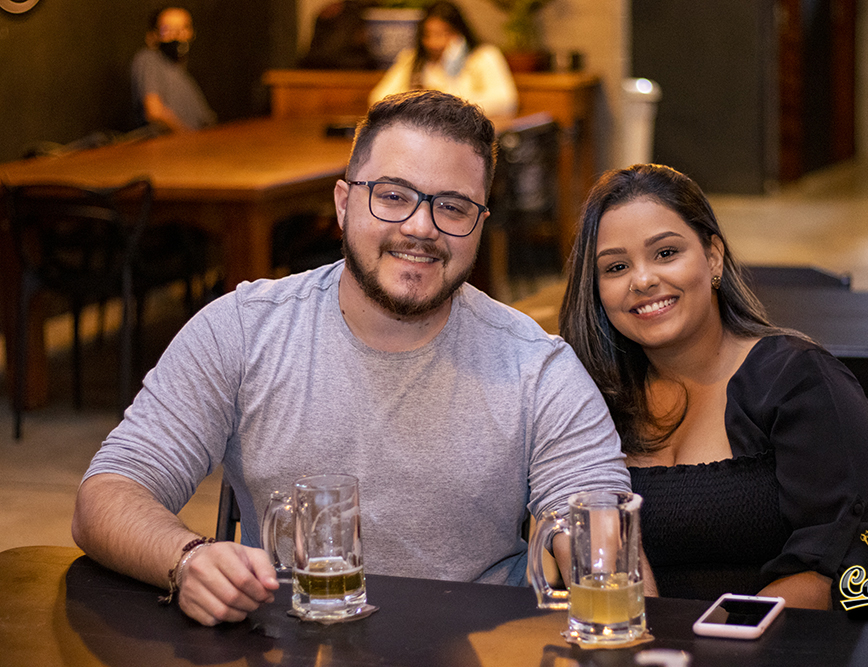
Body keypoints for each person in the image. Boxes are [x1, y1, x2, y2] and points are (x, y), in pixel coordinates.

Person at [72, 90, 631, 627]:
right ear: (343, 204)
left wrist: (607, 578)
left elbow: (606, 552)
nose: (420, 227)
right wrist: (187, 558)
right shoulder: (242, 330)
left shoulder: (538, 368)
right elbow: (108, 494)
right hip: (290, 644)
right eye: (393, 196)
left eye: (453, 207)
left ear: (479, 226)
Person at [558, 164, 868, 610]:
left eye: (665, 253)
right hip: (628, 638)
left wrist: (718, 638)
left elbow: (841, 562)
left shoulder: (800, 380)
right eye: (616, 267)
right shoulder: (590, 396)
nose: (642, 280)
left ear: (713, 256)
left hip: (775, 640)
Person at [369, 1, 518, 119]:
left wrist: (448, 102)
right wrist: (420, 104)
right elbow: (378, 98)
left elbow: (505, 100)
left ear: (460, 32)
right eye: (428, 35)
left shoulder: (483, 56)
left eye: (444, 34)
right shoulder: (413, 59)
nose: (435, 43)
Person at [131, 6, 216, 134]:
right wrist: (187, 135)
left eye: (183, 28)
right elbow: (154, 111)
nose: (177, 35)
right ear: (152, 35)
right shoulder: (149, 59)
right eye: (167, 29)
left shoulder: (181, 71)